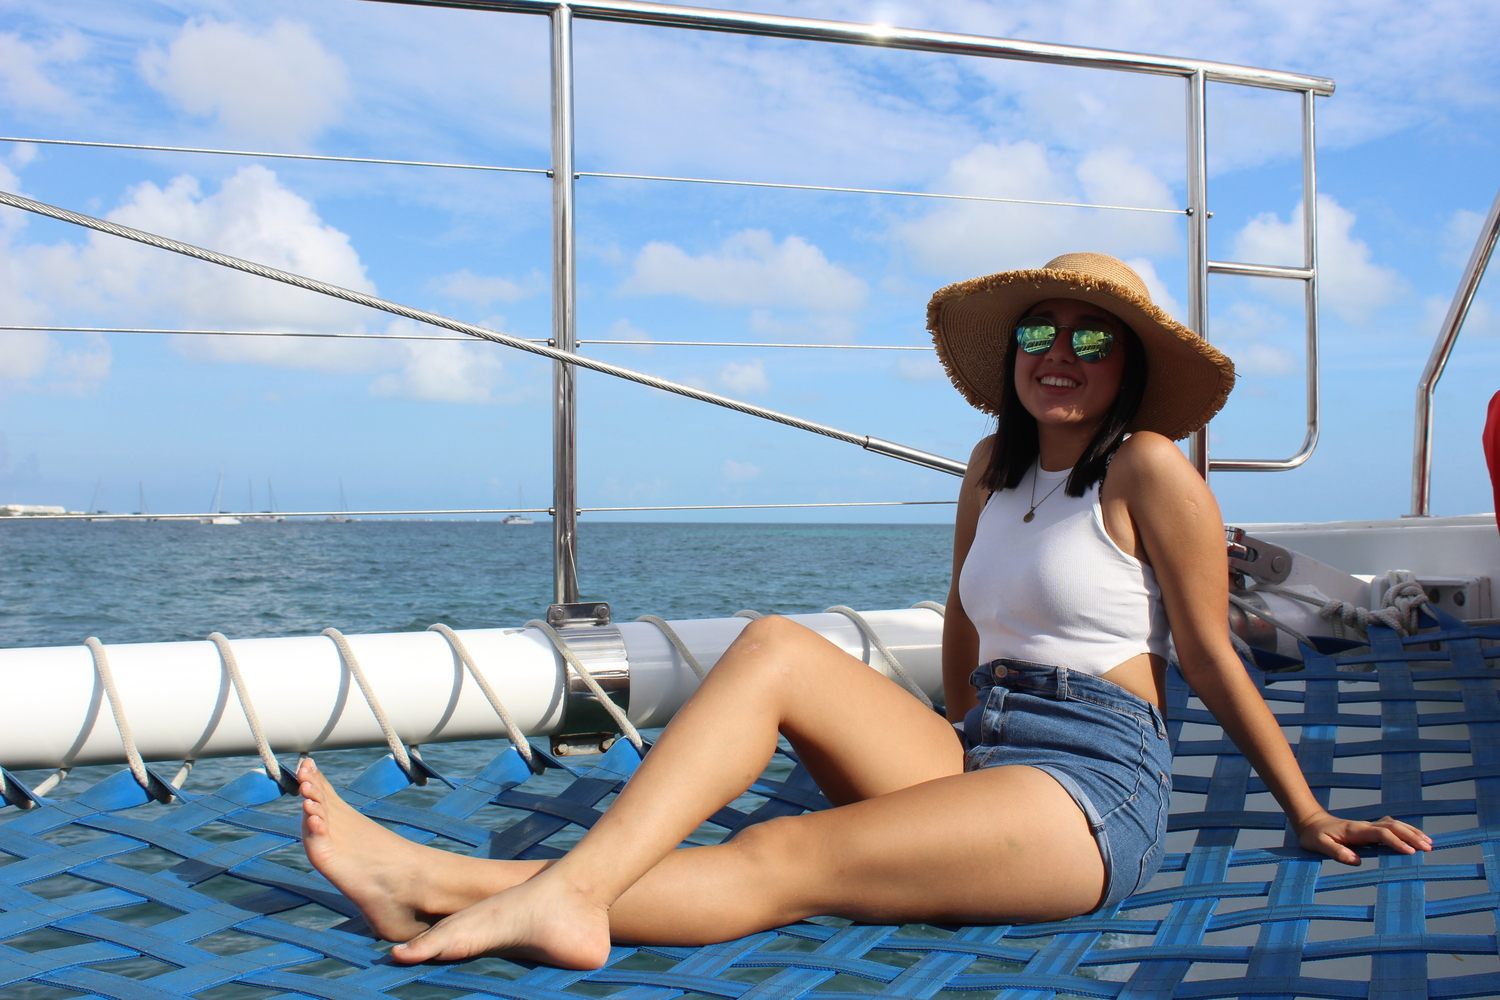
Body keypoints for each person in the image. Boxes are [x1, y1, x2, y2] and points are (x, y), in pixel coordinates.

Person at [297, 252, 1431, 970]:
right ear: (1014, 356)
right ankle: (547, 894)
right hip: (983, 749)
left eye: (1093, 338)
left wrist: (1306, 808)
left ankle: (459, 886)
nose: (1061, 356)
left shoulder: (1151, 471)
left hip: (1092, 791)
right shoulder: (992, 462)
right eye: (1041, 333)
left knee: (784, 850)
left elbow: (1206, 655)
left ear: (1127, 364)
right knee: (778, 646)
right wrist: (942, 734)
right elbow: (961, 619)